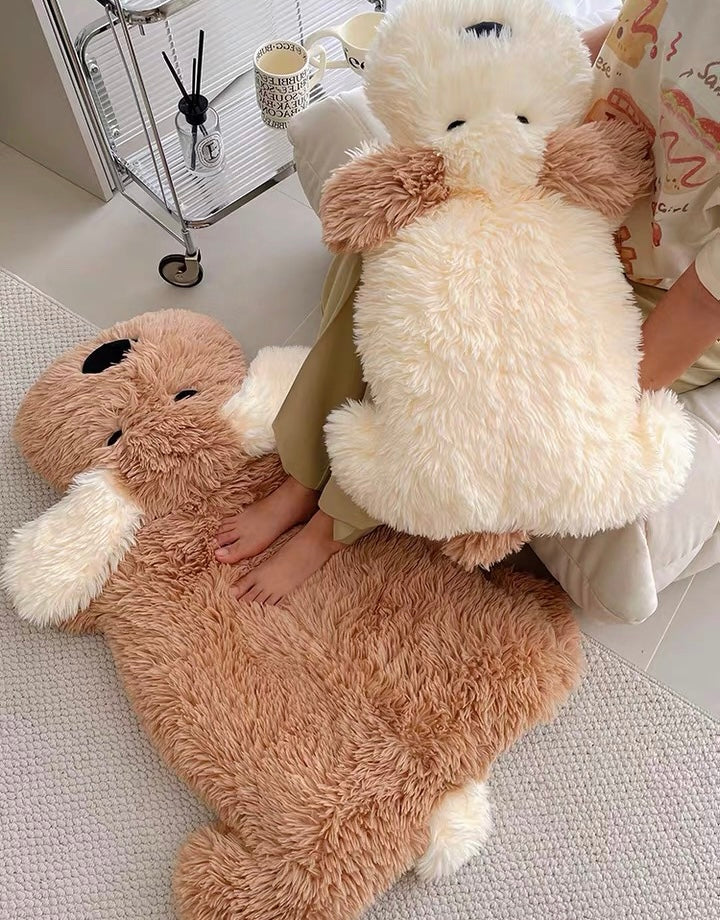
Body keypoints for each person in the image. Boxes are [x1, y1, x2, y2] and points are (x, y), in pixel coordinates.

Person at [217, 0, 720, 604]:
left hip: (675, 288)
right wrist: (511, 75)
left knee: (468, 354)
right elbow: (625, 36)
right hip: (571, 179)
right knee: (396, 244)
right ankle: (302, 476)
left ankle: (332, 526)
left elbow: (703, 303)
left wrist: (579, 401)